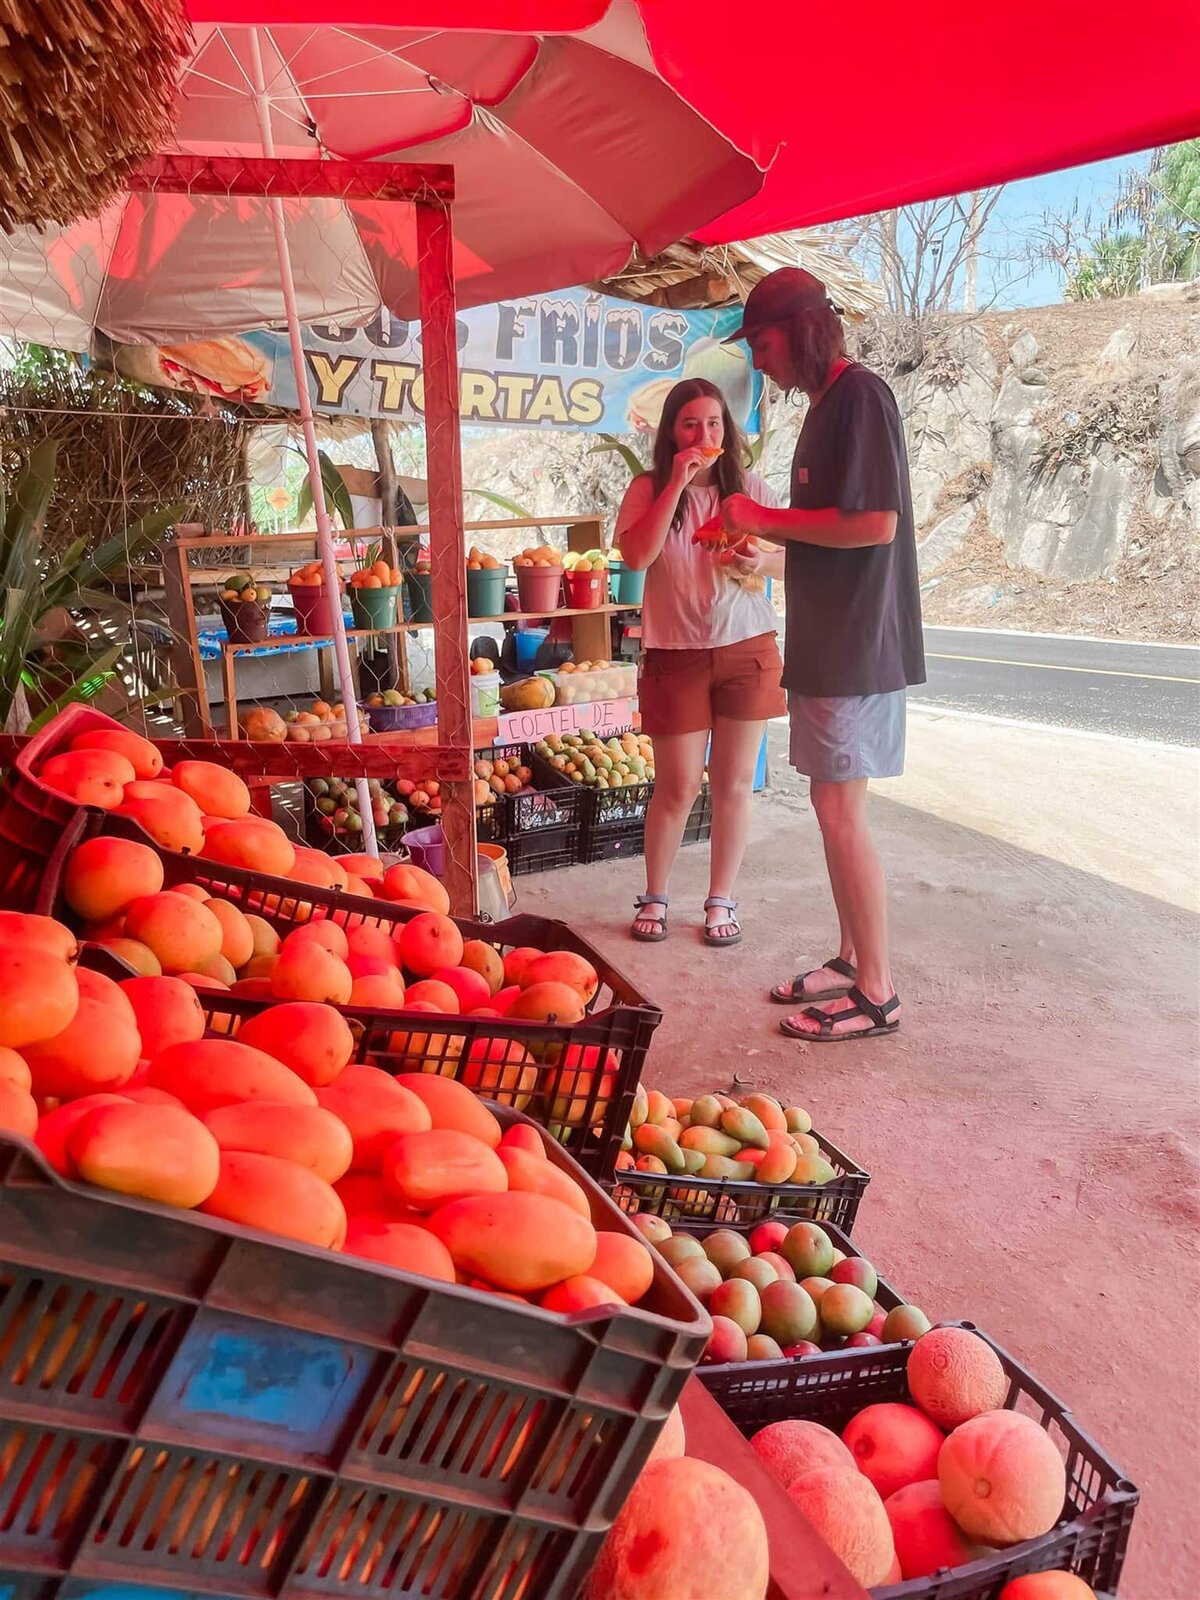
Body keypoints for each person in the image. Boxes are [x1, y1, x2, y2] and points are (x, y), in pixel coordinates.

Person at [717, 268, 925, 1039]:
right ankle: (848, 956)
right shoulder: (824, 406)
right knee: (833, 808)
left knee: (840, 815)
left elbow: (874, 526)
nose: (760, 361)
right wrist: (763, 546)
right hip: (828, 641)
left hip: (855, 648)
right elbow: (827, 535)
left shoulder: (860, 396)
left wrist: (765, 517)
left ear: (802, 329)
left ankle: (876, 991)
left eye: (763, 343)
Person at [615, 377, 786, 946]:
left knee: (734, 783)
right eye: (690, 423)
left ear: (727, 430)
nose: (703, 433)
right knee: (678, 784)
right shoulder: (647, 488)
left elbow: (789, 563)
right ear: (671, 432)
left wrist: (753, 556)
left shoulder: (751, 489)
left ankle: (720, 901)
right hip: (676, 652)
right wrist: (677, 485)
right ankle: (656, 895)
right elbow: (637, 555)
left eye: (713, 423)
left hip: (747, 647)